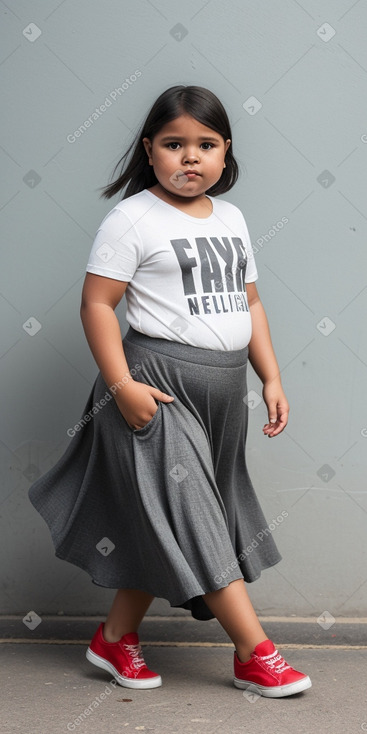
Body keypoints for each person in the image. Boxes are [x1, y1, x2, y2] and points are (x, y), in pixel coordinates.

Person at [28, 85, 311, 698]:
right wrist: (122, 385)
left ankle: (114, 638)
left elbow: (250, 302)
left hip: (225, 389)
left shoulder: (232, 218)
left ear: (225, 152)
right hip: (155, 387)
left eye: (205, 145)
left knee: (171, 516)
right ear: (149, 150)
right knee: (193, 516)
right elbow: (97, 305)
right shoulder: (131, 218)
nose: (190, 157)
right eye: (174, 144)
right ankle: (256, 654)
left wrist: (271, 377)